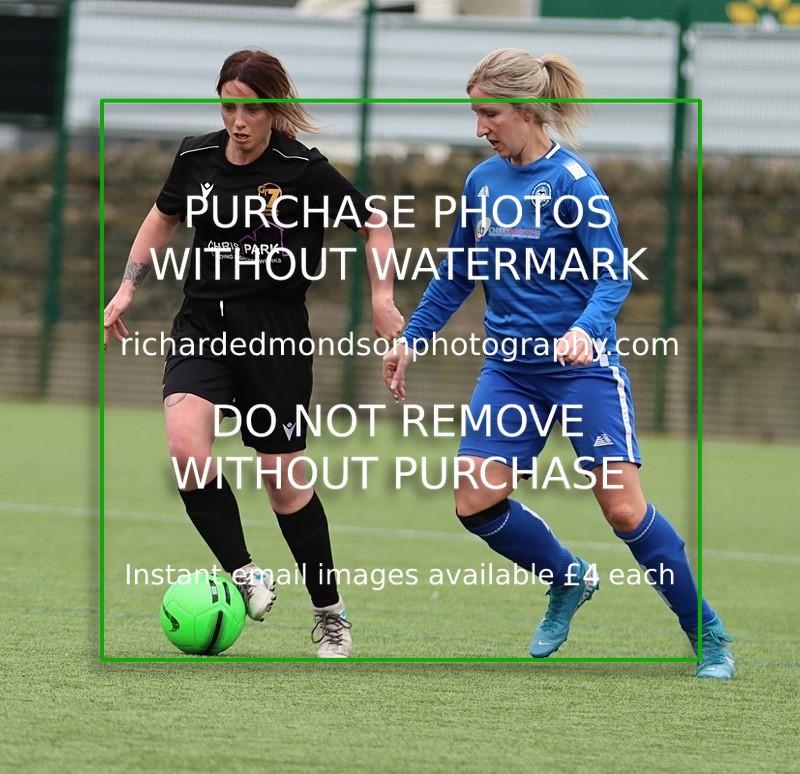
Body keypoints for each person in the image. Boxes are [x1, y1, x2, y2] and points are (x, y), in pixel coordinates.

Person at [382, 48, 734, 677]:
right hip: (511, 372)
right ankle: (568, 577)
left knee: (623, 508)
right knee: (474, 501)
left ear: (526, 109)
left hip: (582, 372)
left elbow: (612, 277)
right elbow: (458, 272)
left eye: (489, 114)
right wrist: (414, 335)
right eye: (475, 114)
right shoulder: (481, 182)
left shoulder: (574, 183)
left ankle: (705, 631)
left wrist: (584, 330)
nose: (479, 127)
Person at [104, 48, 404, 658]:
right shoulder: (196, 155)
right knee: (186, 448)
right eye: (229, 105)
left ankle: (330, 614)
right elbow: (161, 218)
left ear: (274, 108)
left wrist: (381, 299)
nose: (239, 119)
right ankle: (244, 573)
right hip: (202, 326)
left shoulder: (303, 169)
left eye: (252, 107)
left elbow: (375, 222)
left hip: (275, 338)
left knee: (283, 482)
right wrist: (128, 284)